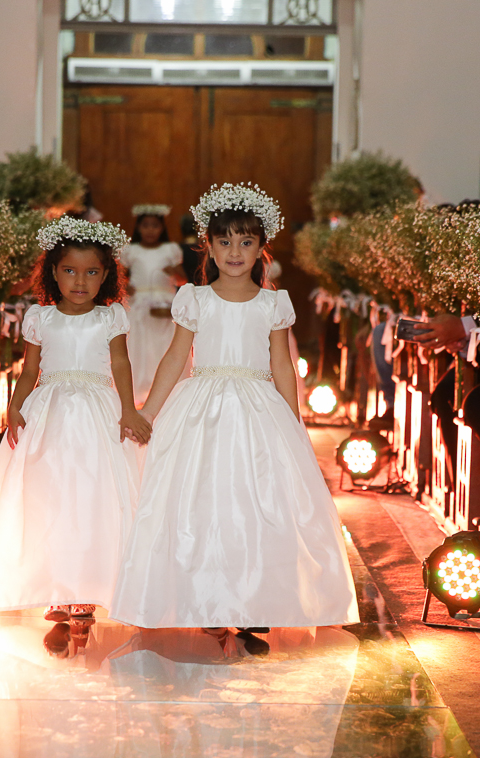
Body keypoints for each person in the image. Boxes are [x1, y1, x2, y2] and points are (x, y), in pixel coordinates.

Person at [110, 184, 359, 649]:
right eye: (224, 242)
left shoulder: (273, 303)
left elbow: (282, 363)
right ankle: (207, 599)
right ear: (208, 245)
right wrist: (147, 411)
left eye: (246, 242)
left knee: (256, 502)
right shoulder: (194, 298)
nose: (235, 252)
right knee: (203, 501)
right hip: (202, 408)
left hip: (258, 407)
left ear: (262, 247)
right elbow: (174, 358)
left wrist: (293, 423)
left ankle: (253, 600)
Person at [0, 217, 150, 621]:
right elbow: (30, 369)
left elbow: (120, 363)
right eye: (70, 270)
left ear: (106, 275)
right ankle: (58, 588)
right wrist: (15, 406)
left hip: (97, 414)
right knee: (51, 497)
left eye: (91, 272)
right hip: (49, 414)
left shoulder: (111, 317)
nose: (80, 281)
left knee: (92, 496)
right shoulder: (40, 317)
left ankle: (86, 588)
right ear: (53, 272)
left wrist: (128, 409)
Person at [121, 204, 184, 404]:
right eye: (145, 225)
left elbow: (183, 279)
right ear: (138, 227)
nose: (150, 230)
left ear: (162, 228)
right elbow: (119, 276)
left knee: (163, 345)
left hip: (164, 304)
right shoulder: (131, 250)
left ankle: (167, 392)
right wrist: (125, 287)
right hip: (138, 304)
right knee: (139, 345)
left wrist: (174, 272)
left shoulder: (170, 250)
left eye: (155, 225)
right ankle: (139, 390)